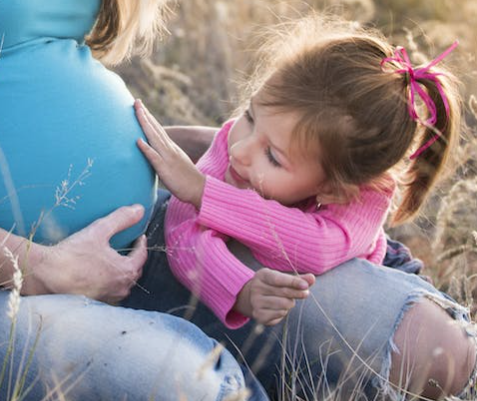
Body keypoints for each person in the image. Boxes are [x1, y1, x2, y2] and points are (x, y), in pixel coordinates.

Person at [122, 16, 477, 400]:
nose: (239, 151)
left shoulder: (364, 196)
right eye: (250, 116)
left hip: (365, 267)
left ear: (335, 190)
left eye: (273, 156)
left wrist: (204, 192)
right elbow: (181, 230)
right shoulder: (238, 145)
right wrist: (235, 287)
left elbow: (316, 247)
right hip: (275, 279)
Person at [0, 1, 264, 399]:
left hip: (132, 244)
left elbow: (33, 72)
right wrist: (41, 267)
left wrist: (207, 155)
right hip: (19, 280)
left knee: (331, 303)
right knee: (186, 384)